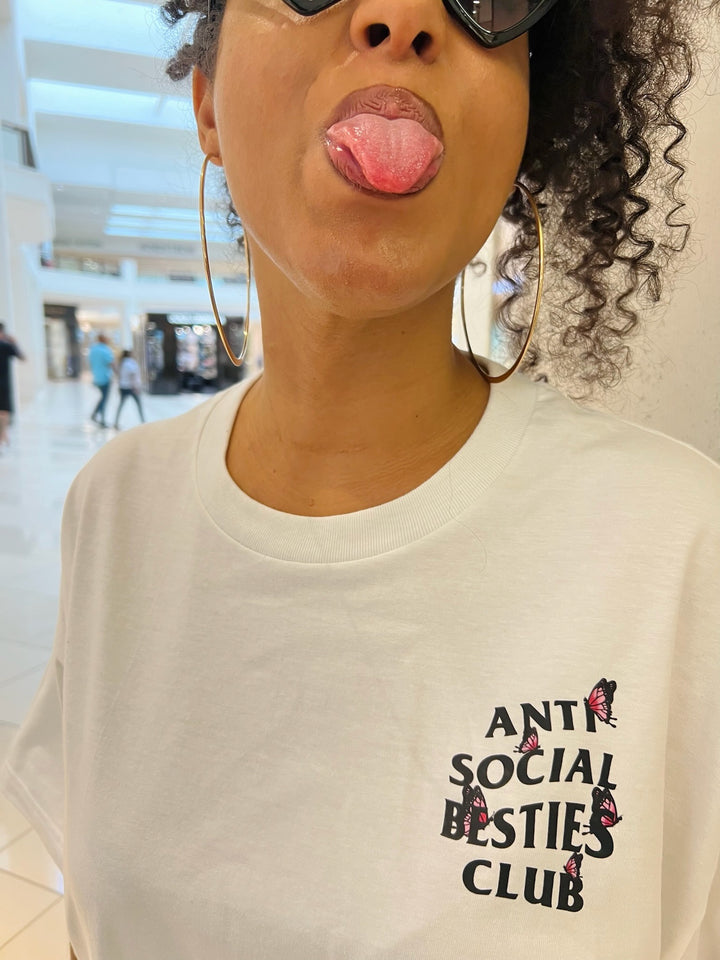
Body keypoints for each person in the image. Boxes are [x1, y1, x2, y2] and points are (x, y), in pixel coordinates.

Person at [2, 2, 720, 959]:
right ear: (207, 105)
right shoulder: (114, 505)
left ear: (527, 119)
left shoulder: (682, 547)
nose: (400, 15)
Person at [0, 322, 25, 448]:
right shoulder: (6, 345)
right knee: (4, 412)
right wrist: (14, 343)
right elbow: (22, 357)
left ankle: (3, 435)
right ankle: (3, 435)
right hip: (3, 384)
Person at [113, 350, 146, 430]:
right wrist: (135, 387)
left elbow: (119, 375)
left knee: (121, 405)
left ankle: (116, 422)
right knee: (139, 405)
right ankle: (143, 422)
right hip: (131, 387)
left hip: (123, 387)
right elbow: (132, 375)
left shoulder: (121, 363)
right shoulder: (131, 363)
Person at [88, 333, 115, 428]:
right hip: (105, 378)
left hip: (96, 377)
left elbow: (90, 363)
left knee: (102, 397)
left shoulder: (93, 349)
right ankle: (101, 418)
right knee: (104, 399)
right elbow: (111, 363)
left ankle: (95, 414)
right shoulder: (105, 350)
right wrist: (118, 374)